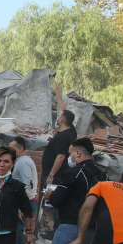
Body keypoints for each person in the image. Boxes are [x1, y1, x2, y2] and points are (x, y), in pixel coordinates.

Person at [42, 84, 78, 232]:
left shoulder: (64, 137)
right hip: (56, 174)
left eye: (59, 117)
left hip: (56, 176)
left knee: (55, 201)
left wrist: (51, 175)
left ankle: (56, 230)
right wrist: (57, 93)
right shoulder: (71, 129)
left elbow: (61, 156)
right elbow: (64, 110)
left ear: (62, 121)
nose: (57, 118)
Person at [8, 136, 39, 244]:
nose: (9, 150)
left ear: (20, 149)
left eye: (12, 148)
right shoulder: (21, 161)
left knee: (14, 234)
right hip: (24, 202)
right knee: (18, 233)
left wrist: (21, 206)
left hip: (25, 203)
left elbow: (26, 185)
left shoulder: (22, 163)